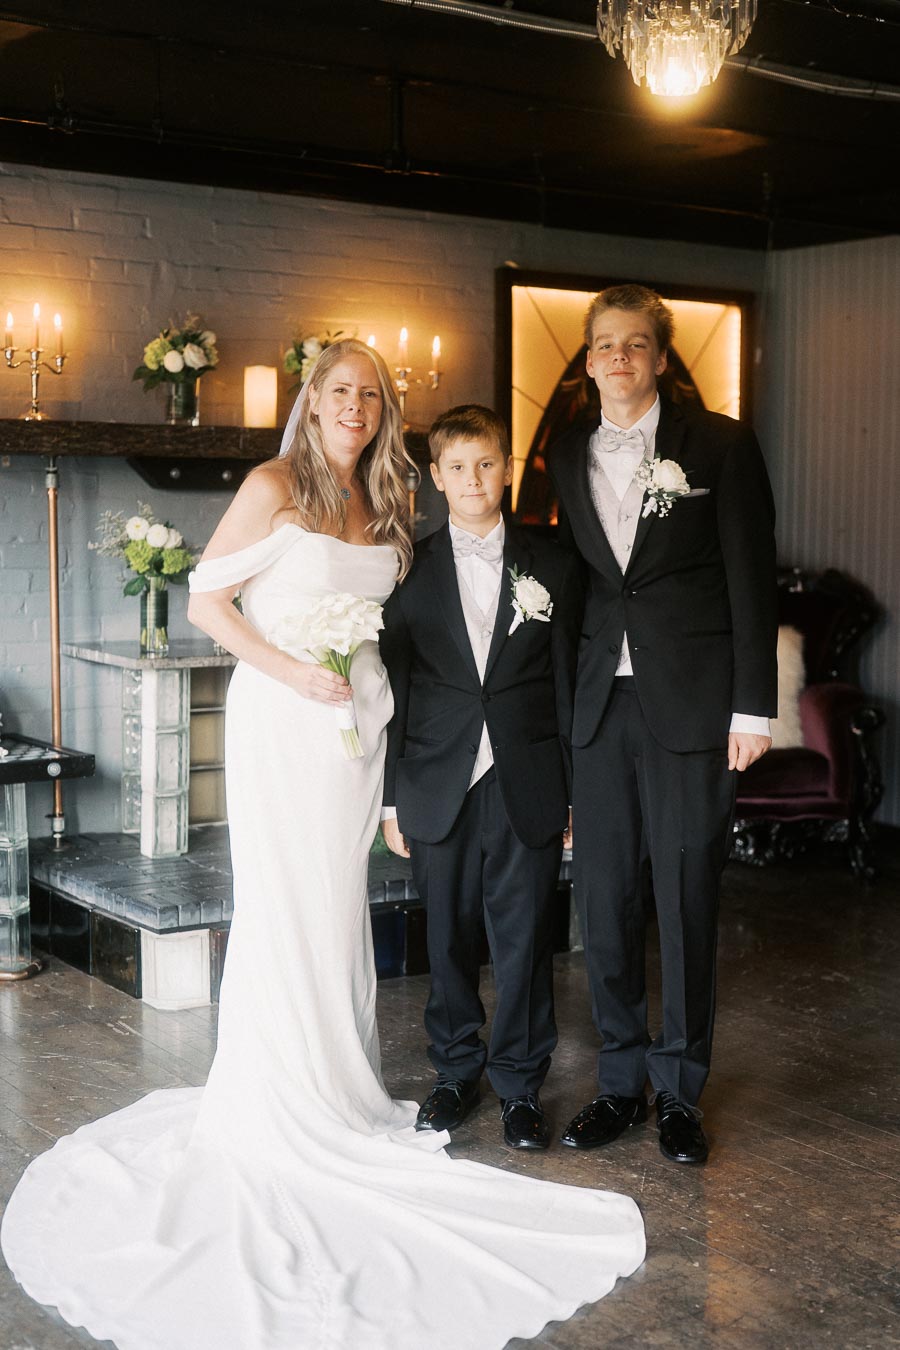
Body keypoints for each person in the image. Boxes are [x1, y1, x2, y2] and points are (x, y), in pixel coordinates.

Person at [2, 340, 644, 1349]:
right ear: (314, 400)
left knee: (338, 907)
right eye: (340, 391)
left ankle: (343, 1086)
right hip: (286, 719)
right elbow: (211, 602)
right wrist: (292, 672)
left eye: (371, 395)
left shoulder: (385, 506)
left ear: (388, 416)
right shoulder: (272, 483)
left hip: (364, 733)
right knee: (286, 903)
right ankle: (280, 1095)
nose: (354, 406)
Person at [548, 285, 777, 1166]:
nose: (618, 358)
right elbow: (576, 584)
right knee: (605, 903)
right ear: (589, 356)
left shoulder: (718, 442)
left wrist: (751, 706)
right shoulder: (569, 453)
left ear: (660, 355)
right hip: (599, 706)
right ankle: (619, 1086)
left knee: (684, 899)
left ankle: (680, 1094)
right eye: (604, 344)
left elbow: (752, 576)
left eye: (636, 344)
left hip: (694, 705)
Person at [381, 404, 581, 1151]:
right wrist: (392, 798)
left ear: (508, 466)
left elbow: (566, 686)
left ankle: (521, 1085)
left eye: (487, 464)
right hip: (438, 780)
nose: (473, 479)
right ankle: (455, 1073)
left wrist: (571, 793)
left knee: (527, 939)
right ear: (436, 477)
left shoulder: (553, 564)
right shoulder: (407, 565)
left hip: (526, 777)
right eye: (458, 467)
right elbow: (394, 690)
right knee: (449, 938)